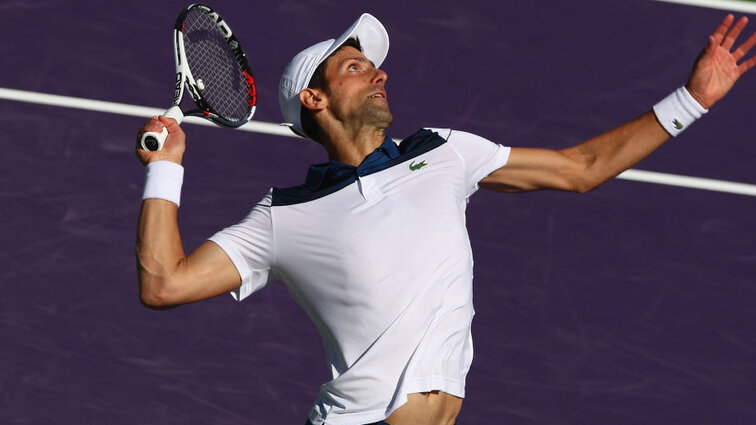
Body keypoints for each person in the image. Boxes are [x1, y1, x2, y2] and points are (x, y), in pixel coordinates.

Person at [135, 12, 756, 425]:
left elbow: (581, 167)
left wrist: (692, 100)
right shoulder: (283, 217)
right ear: (314, 100)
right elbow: (164, 283)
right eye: (355, 67)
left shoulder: (446, 152)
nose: (378, 73)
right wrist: (167, 169)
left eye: (373, 65)